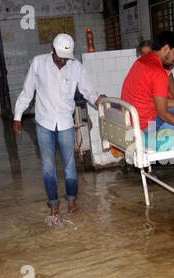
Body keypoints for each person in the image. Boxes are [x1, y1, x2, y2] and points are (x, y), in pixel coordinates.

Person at [13, 33, 105, 221]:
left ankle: (72, 202)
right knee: (48, 167)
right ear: (53, 50)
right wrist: (17, 116)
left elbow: (87, 90)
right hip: (43, 122)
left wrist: (97, 99)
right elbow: (27, 92)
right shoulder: (38, 63)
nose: (63, 61)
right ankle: (53, 205)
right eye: (60, 57)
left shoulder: (76, 67)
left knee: (70, 166)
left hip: (65, 123)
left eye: (67, 58)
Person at [122, 31, 174, 132]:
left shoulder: (141, 61)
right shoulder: (158, 71)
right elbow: (163, 113)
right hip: (146, 126)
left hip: (131, 121)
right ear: (166, 48)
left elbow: (157, 102)